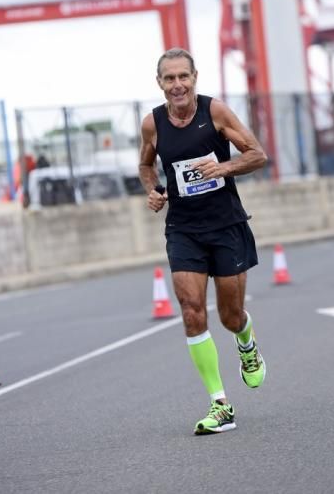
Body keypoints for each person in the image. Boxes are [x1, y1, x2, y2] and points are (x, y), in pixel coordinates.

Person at [139, 47, 268, 435]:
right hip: (183, 228)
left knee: (230, 317)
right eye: (169, 78)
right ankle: (220, 404)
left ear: (195, 78)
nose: (177, 85)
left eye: (183, 76)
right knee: (192, 311)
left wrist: (223, 167)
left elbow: (257, 154)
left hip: (225, 224)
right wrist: (154, 189)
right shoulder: (153, 124)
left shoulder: (216, 113)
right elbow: (146, 164)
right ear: (159, 83)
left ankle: (246, 343)